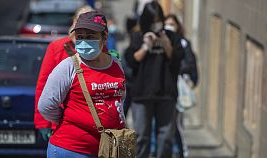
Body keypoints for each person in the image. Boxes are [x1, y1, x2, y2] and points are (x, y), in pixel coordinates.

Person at [38, 11, 126, 157]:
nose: (84, 42)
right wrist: (71, 118)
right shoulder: (68, 67)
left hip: (107, 150)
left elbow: (120, 97)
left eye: (90, 37)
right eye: (80, 37)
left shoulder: (116, 64)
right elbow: (46, 105)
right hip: (71, 150)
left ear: (104, 37)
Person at [124, 1, 185, 158]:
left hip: (166, 93)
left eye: (158, 20)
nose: (155, 24)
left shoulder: (171, 36)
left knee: (165, 137)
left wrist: (165, 43)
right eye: (152, 20)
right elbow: (131, 60)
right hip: (142, 93)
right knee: (142, 137)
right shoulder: (138, 36)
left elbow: (178, 59)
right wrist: (146, 46)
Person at [34, 6, 95, 142]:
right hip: (61, 121)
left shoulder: (100, 49)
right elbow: (43, 85)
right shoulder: (57, 47)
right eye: (82, 19)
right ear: (74, 22)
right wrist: (43, 122)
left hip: (90, 123)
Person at [165, 14, 199, 158]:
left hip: (177, 87)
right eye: (167, 24)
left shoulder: (183, 43)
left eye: (172, 24)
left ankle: (181, 151)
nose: (169, 27)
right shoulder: (160, 41)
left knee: (175, 123)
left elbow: (190, 63)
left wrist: (192, 79)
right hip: (163, 88)